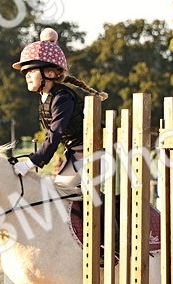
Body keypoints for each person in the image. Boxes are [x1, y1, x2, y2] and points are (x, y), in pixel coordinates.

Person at [10, 28, 108, 189]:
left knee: (58, 194)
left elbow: (55, 135)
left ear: (50, 73)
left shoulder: (62, 98)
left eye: (32, 70)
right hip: (74, 155)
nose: (27, 75)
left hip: (92, 156)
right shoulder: (45, 98)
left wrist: (31, 162)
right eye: (25, 71)